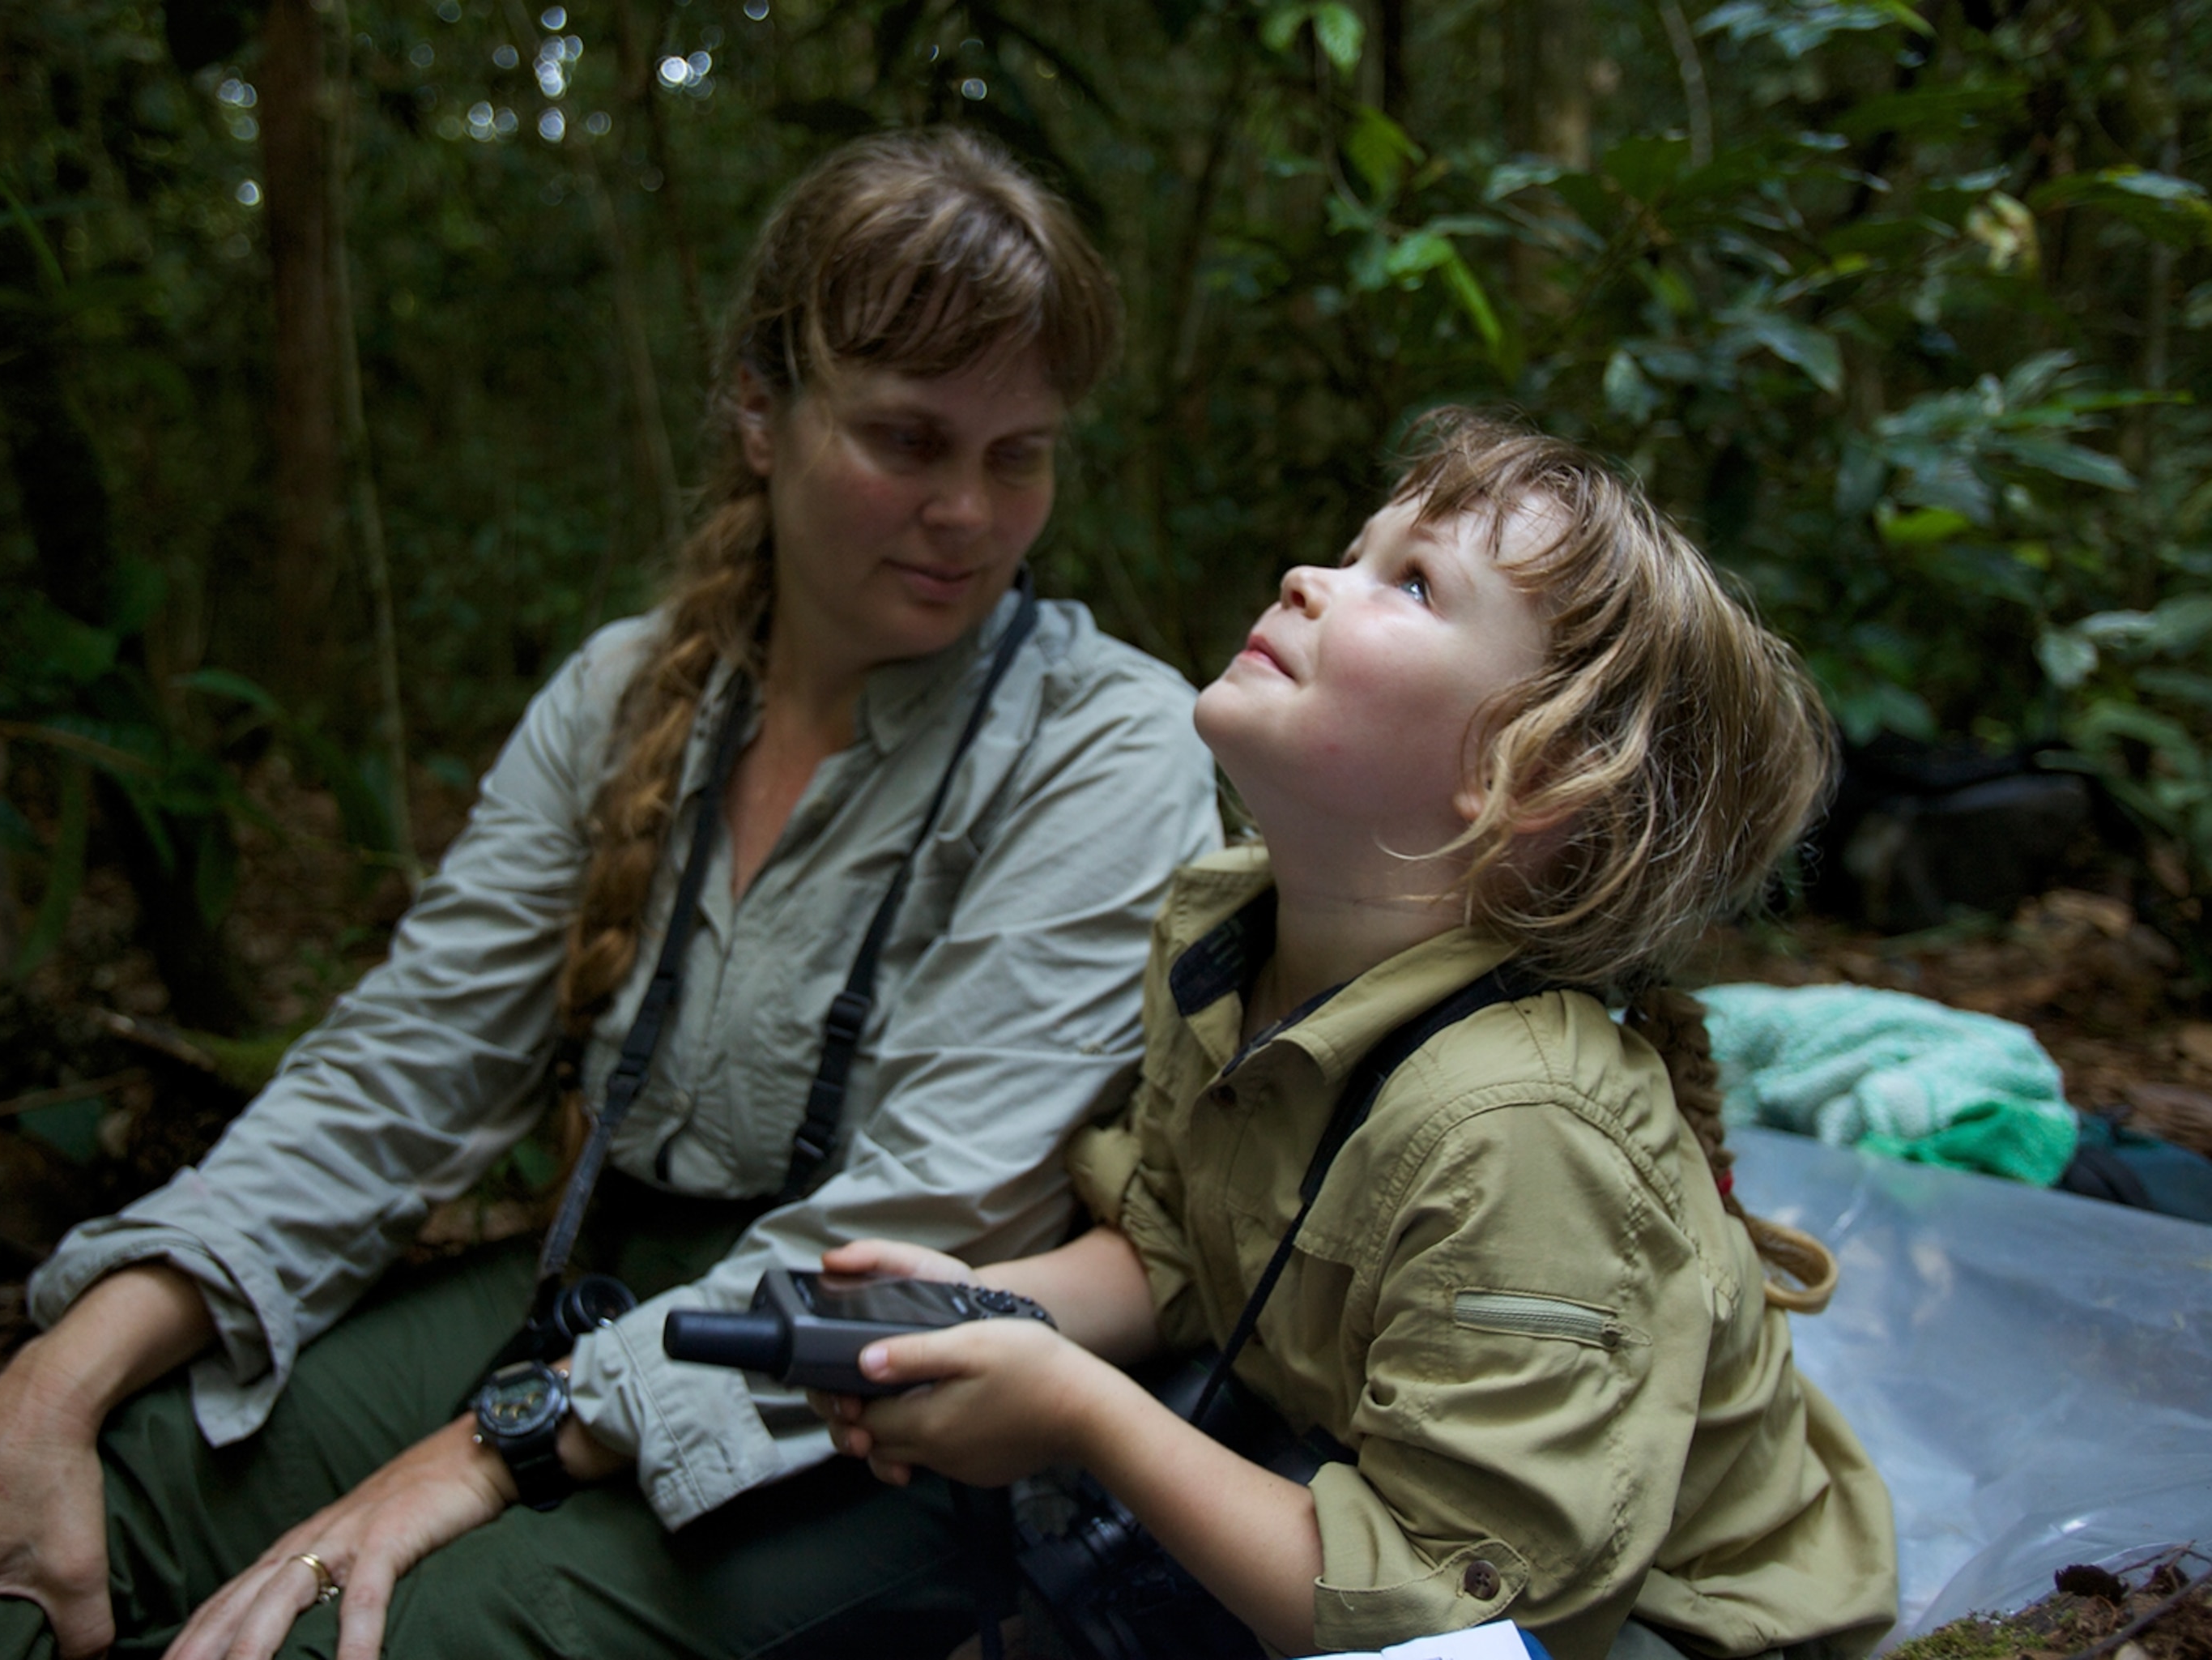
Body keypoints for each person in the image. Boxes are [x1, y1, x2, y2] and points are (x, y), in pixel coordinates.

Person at [0, 129, 1223, 1660]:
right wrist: (48, 1386)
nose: (971, 514)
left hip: (871, 1418)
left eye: (1021, 453)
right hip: (582, 1287)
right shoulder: (620, 694)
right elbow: (401, 1069)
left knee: (369, 1632)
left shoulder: (1105, 743)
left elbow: (918, 1222)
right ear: (757, 410)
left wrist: (487, 1450)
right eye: (909, 440)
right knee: (44, 1530)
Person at [810, 411, 1900, 1660]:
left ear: (1532, 776)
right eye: (1355, 546)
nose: (1308, 578)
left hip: (1635, 1626)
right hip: (1355, 1478)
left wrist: (1075, 1410)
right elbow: (1182, 1241)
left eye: (1415, 582)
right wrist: (973, 1309)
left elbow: (1455, 1613)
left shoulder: (1519, 1131)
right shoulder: (1229, 932)